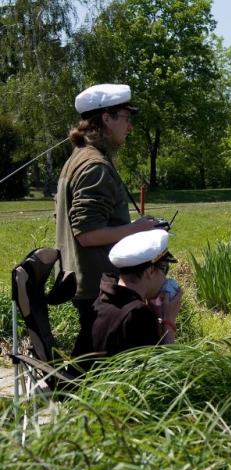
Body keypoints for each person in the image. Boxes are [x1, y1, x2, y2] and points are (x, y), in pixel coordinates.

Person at [55, 83, 159, 355]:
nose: (130, 127)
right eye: (125, 118)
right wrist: (137, 229)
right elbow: (87, 234)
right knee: (109, 364)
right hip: (94, 281)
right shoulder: (95, 166)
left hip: (86, 279)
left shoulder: (81, 157)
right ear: (106, 118)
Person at [80, 229, 182, 373]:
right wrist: (169, 323)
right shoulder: (137, 315)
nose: (166, 278)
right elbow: (161, 377)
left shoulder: (106, 298)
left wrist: (156, 320)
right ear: (150, 271)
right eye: (165, 269)